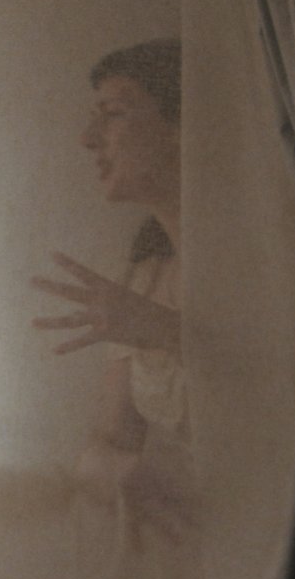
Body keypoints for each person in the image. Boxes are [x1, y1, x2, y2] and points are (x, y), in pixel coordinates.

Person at [31, 38, 190, 540]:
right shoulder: (145, 275)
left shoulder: (266, 254)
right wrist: (117, 473)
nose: (87, 138)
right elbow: (110, 437)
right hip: (182, 525)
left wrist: (167, 331)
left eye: (114, 114)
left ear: (182, 127)